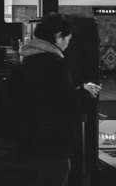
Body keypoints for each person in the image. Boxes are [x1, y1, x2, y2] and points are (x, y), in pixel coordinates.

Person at [18, 13, 101, 186]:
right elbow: (64, 103)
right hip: (52, 142)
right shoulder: (55, 64)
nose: (68, 44)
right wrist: (85, 92)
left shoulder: (29, 59)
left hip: (29, 138)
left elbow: (45, 95)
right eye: (67, 39)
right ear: (58, 36)